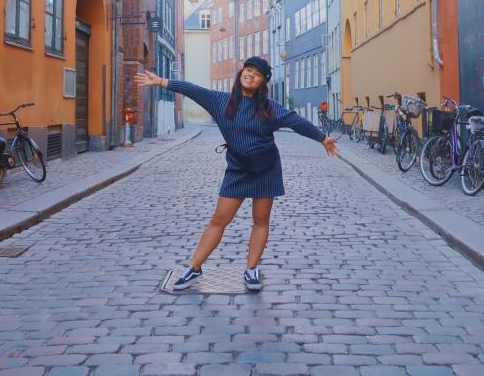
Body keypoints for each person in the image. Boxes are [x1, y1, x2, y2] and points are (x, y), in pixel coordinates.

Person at [134, 56, 339, 291]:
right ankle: (194, 268)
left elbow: (295, 121)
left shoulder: (269, 108)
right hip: (238, 168)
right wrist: (160, 81)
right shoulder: (219, 101)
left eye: (257, 74)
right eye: (248, 69)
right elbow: (192, 89)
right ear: (242, 73)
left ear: (263, 82)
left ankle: (251, 270)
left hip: (266, 168)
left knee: (260, 220)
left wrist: (322, 138)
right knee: (219, 219)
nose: (251, 74)